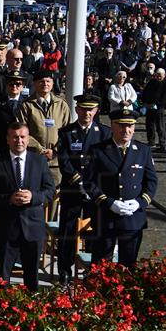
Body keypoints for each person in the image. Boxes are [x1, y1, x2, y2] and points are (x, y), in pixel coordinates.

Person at [0, 122, 55, 291]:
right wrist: (9, 199)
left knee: (31, 276)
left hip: (33, 226)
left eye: (23, 137)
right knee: (3, 275)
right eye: (15, 137)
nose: (19, 141)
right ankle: (1, 310)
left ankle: (31, 311)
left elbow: (50, 190)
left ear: (28, 139)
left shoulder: (39, 161)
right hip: (7, 227)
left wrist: (33, 196)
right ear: (8, 139)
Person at [85, 109, 157, 267]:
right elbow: (89, 182)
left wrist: (140, 203)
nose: (126, 130)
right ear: (112, 126)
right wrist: (108, 202)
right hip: (106, 216)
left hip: (132, 218)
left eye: (130, 126)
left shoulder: (143, 150)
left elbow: (151, 182)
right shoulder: (98, 150)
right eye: (121, 125)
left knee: (129, 264)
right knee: (100, 265)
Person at [55, 95, 111, 286]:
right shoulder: (66, 132)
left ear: (96, 111)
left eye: (90, 110)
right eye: (83, 109)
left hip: (96, 192)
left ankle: (93, 272)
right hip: (72, 189)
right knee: (67, 232)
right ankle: (64, 271)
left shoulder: (104, 133)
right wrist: (79, 182)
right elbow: (64, 161)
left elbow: (106, 162)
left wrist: (92, 186)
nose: (87, 113)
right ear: (77, 110)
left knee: (96, 232)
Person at [16, 69, 71, 185]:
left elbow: (68, 131)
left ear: (52, 83)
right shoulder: (26, 105)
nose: (45, 84)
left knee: (54, 197)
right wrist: (40, 150)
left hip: (56, 161)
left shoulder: (62, 105)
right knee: (35, 194)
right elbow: (21, 131)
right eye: (41, 81)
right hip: (34, 159)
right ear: (35, 84)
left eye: (48, 81)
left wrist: (55, 151)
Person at [141, 68, 166, 152]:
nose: (158, 77)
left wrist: (157, 104)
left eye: (160, 76)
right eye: (157, 75)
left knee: (160, 126)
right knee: (149, 125)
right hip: (150, 106)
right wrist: (145, 102)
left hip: (159, 108)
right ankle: (151, 142)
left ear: (164, 75)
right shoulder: (152, 82)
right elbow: (145, 92)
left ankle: (162, 144)